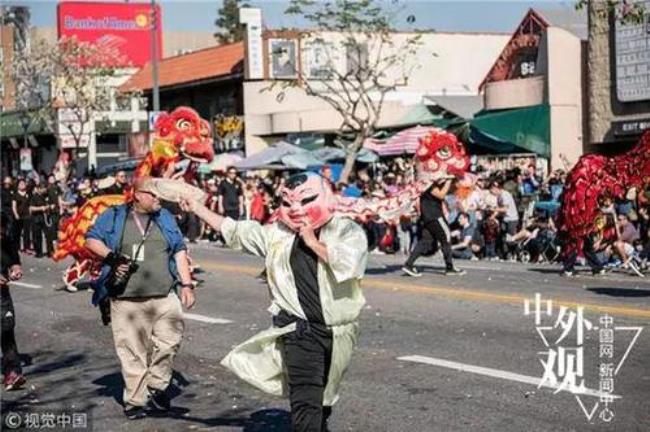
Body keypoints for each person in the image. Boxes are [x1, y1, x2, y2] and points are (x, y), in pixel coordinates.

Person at [181, 172, 368, 432]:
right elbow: (236, 231)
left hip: (339, 332)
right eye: (287, 203)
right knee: (306, 398)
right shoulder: (278, 235)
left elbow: (351, 264)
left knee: (324, 400)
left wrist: (313, 242)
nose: (295, 210)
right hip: (299, 332)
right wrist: (198, 208)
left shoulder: (344, 229)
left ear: (325, 197)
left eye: (305, 201)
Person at [85, 177, 196, 419]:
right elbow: (91, 239)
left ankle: (157, 386)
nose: (159, 199)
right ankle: (135, 400)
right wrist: (111, 257)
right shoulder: (114, 216)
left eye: (160, 196)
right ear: (137, 195)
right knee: (132, 351)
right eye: (153, 195)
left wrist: (187, 284)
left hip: (165, 296)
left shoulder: (164, 217)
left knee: (169, 344)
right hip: (127, 300)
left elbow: (179, 249)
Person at [402, 178, 466, 277]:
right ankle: (450, 267)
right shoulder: (429, 185)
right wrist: (448, 181)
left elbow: (450, 190)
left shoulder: (426, 184)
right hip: (434, 216)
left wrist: (450, 181)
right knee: (446, 237)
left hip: (428, 216)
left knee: (425, 241)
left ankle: (409, 264)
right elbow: (441, 195)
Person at [1, 210, 26, 391]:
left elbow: (13, 257)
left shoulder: (6, 239)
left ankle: (12, 372)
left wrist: (15, 267)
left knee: (7, 328)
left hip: (2, 294)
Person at [12, 179, 33, 254]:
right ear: (18, 185)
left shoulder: (28, 194)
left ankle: (26, 247)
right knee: (17, 232)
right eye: (20, 184)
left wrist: (30, 213)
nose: (22, 185)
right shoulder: (15, 194)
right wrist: (16, 214)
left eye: (23, 183)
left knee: (27, 232)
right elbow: (14, 206)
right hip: (19, 216)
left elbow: (30, 205)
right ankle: (16, 247)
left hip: (27, 215)